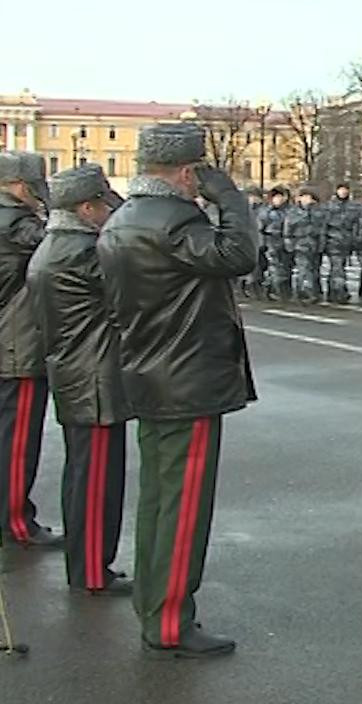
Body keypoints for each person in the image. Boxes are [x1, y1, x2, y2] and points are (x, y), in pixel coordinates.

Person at [98, 124, 257, 658]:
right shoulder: (174, 221)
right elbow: (239, 253)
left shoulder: (121, 219)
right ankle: (169, 622)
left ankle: (153, 604)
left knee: (159, 500)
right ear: (188, 172)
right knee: (183, 505)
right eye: (199, 175)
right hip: (186, 377)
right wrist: (230, 197)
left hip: (149, 371)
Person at [25, 165, 131, 595]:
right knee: (95, 483)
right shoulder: (83, 252)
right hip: (95, 377)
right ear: (87, 208)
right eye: (104, 204)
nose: (110, 211)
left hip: (78, 371)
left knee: (85, 474)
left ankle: (89, 564)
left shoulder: (55, 246)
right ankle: (90, 569)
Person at [0, 151, 62, 549]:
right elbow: (61, 247)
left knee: (16, 436)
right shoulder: (15, 225)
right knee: (19, 440)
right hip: (20, 343)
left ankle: (14, 514)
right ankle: (15, 521)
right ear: (24, 187)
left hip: (13, 339)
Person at [284, 187, 325, 304]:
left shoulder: (318, 212)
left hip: (314, 245)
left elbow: (322, 229)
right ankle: (304, 292)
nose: (307, 200)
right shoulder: (294, 212)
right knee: (303, 269)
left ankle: (313, 291)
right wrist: (289, 244)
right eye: (304, 197)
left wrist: (321, 245)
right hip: (300, 244)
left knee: (314, 270)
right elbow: (288, 229)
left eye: (309, 197)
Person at [324, 183, 361, 304]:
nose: (343, 192)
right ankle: (339, 291)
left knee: (338, 267)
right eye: (341, 190)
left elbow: (356, 224)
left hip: (346, 241)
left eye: (345, 190)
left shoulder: (353, 206)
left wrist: (355, 240)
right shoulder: (330, 206)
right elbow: (324, 225)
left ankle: (332, 291)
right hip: (333, 240)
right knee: (337, 267)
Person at [258, 186, 292, 301]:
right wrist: (262, 244)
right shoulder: (266, 212)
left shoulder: (290, 211)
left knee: (286, 268)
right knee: (274, 268)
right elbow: (260, 229)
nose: (278, 199)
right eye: (276, 197)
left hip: (286, 242)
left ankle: (282, 289)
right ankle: (273, 289)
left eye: (280, 197)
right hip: (271, 241)